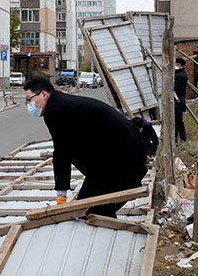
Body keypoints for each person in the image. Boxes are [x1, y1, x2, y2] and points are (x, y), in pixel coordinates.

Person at [22, 77, 147, 218]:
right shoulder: (61, 103)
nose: (29, 104)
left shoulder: (54, 110)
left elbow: (62, 153)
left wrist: (61, 196)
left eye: (29, 99)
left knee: (88, 210)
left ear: (43, 95)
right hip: (121, 156)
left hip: (120, 162)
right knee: (91, 208)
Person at [173, 57, 188, 142]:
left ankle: (182, 138)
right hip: (175, 101)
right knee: (175, 121)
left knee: (178, 121)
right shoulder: (177, 74)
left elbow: (176, 87)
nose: (175, 66)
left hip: (178, 101)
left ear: (181, 66)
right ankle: (176, 138)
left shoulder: (181, 75)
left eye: (177, 64)